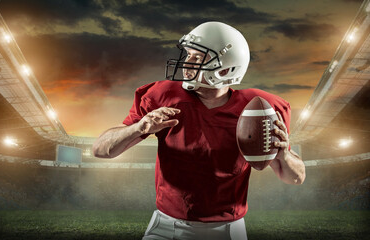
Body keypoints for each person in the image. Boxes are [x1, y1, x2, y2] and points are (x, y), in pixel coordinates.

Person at [93, 22, 306, 240]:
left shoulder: (258, 110)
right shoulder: (163, 96)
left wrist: (284, 155)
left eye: (197, 58)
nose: (186, 63)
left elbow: (296, 178)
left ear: (226, 67)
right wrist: (139, 127)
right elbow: (101, 149)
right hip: (166, 227)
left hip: (227, 231)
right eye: (188, 55)